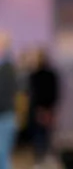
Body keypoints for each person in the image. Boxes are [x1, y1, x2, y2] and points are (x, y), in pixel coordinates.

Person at [0, 32, 18, 169]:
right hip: (5, 115)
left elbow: (4, 95)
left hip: (4, 117)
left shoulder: (7, 68)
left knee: (2, 156)